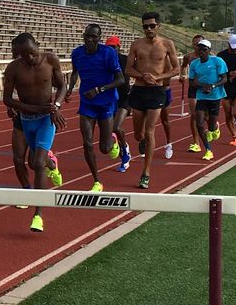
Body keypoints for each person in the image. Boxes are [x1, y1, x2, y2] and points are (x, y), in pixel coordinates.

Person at [2, 33, 67, 232]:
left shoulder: (50, 60)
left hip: (46, 119)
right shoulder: (14, 68)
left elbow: (62, 85)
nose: (29, 58)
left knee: (37, 163)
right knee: (28, 161)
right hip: (26, 119)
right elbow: (7, 99)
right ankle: (51, 163)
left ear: (37, 45)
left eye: (31, 53)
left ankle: (38, 215)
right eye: (23, 55)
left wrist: (56, 106)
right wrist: (28, 109)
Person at [65, 23, 124, 191]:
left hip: (105, 102)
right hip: (87, 103)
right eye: (87, 36)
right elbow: (75, 72)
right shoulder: (77, 53)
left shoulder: (108, 53)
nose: (90, 39)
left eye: (94, 37)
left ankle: (112, 140)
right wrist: (70, 89)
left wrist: (99, 89)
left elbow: (121, 80)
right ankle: (97, 181)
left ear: (99, 38)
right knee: (87, 142)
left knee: (104, 149)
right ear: (84, 36)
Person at [125, 12, 179, 189]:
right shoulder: (136, 44)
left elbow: (176, 69)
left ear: (158, 26)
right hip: (139, 90)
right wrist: (143, 76)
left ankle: (145, 173)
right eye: (145, 26)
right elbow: (128, 69)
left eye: (152, 26)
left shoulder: (166, 44)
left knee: (150, 132)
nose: (148, 29)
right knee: (138, 134)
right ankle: (141, 141)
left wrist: (158, 77)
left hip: (157, 91)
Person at [187, 38, 227, 159]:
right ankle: (208, 150)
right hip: (202, 96)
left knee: (211, 126)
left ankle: (215, 128)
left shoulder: (217, 61)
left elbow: (224, 78)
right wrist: (201, 86)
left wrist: (213, 86)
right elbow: (191, 82)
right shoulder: (194, 64)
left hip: (215, 97)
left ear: (209, 50)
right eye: (199, 49)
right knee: (199, 122)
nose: (201, 51)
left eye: (204, 49)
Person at [104, 36, 133, 172]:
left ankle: (125, 152)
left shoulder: (125, 60)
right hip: (110, 98)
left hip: (124, 98)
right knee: (109, 131)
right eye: (108, 47)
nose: (110, 49)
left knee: (116, 126)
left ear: (118, 47)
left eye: (113, 47)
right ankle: (123, 149)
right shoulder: (103, 60)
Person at [181, 35, 205, 153]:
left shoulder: (211, 56)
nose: (197, 46)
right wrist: (182, 75)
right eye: (195, 44)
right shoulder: (189, 57)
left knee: (206, 116)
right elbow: (183, 66)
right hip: (194, 87)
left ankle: (214, 125)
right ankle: (196, 142)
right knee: (195, 114)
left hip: (207, 88)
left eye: (199, 44)